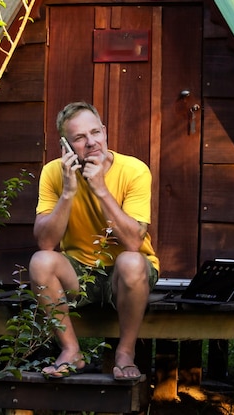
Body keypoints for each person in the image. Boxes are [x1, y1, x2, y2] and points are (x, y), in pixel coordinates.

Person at [29, 101, 159, 379]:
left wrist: (100, 189)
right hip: (79, 275)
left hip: (125, 277)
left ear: (105, 132)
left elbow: (134, 242)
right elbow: (46, 243)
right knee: (40, 262)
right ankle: (71, 351)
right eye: (79, 138)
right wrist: (67, 192)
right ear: (65, 146)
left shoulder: (134, 170)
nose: (91, 142)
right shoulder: (54, 172)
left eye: (95, 133)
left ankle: (125, 353)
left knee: (131, 262)